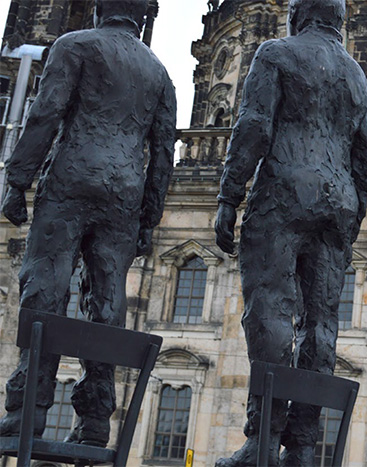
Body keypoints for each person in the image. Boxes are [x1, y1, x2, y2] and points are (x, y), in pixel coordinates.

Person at [0, 0, 176, 447]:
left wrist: (18, 179)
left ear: (100, 9)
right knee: (108, 295)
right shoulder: (158, 71)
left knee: (46, 281)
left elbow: (46, 113)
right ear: (141, 17)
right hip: (125, 189)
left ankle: (28, 409)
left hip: (73, 175)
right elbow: (162, 151)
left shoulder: (75, 45)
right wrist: (150, 216)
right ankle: (96, 417)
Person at [213, 0, 367, 465]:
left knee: (269, 309)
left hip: (285, 190)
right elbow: (366, 156)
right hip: (338, 201)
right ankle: (303, 444)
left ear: (296, 14)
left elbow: (254, 127)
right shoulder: (357, 76)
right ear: (340, 22)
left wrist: (229, 195)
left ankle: (262, 437)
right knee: (323, 323)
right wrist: (354, 214)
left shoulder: (275, 54)